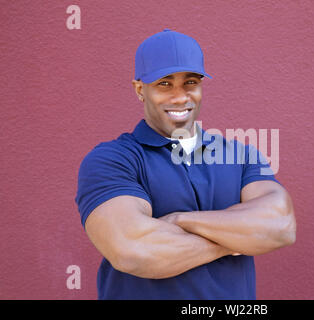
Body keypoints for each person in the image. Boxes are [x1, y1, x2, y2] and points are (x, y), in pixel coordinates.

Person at [75, 29, 296, 300]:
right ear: (140, 89)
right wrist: (235, 240)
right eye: (164, 84)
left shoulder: (241, 155)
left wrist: (180, 220)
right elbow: (133, 250)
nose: (180, 97)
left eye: (190, 82)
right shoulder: (113, 159)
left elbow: (281, 226)